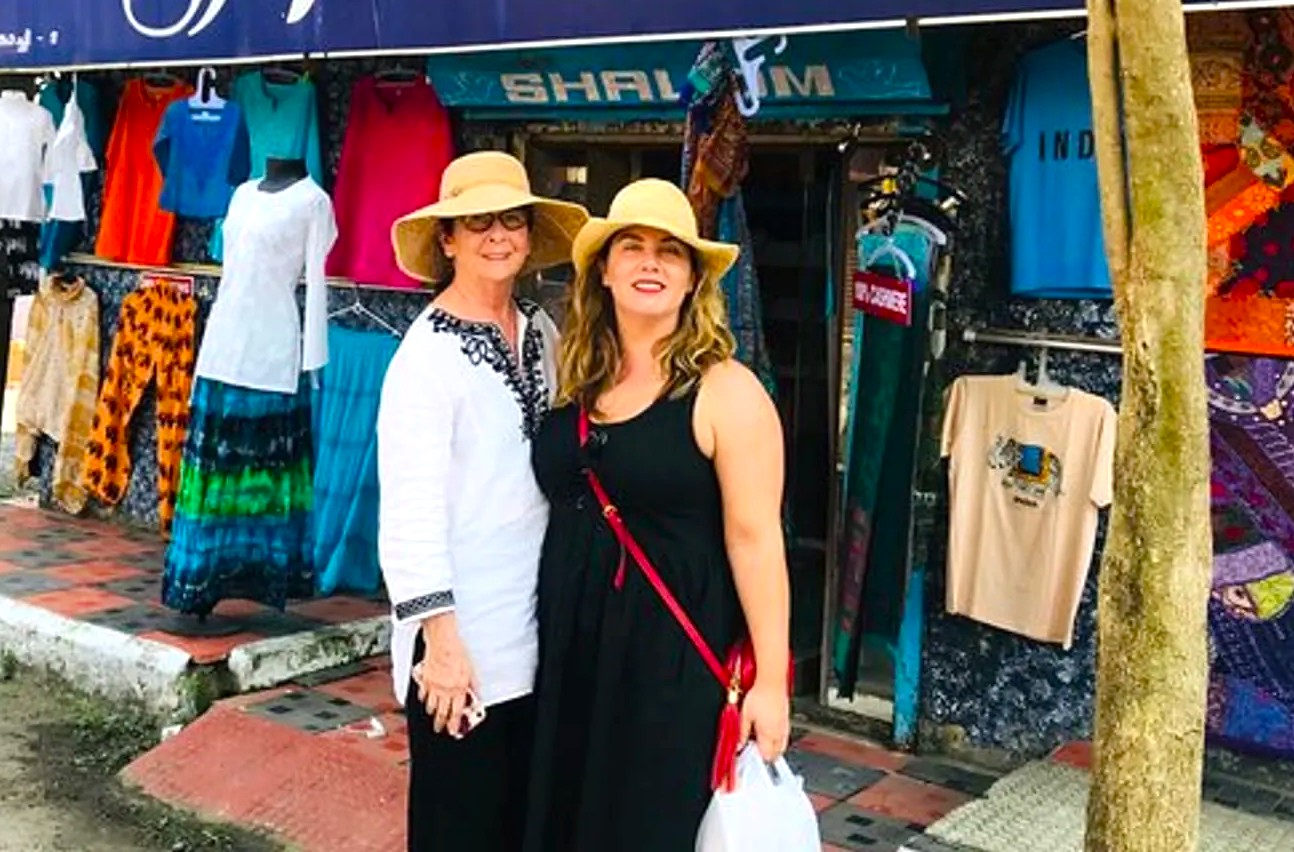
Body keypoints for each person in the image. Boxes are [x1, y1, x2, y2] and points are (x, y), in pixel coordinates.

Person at [525, 178, 792, 851]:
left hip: (669, 666)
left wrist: (772, 684)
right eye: (633, 248)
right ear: (605, 271)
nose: (650, 263)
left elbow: (757, 540)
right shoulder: (574, 374)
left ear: (693, 278)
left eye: (670, 252)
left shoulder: (726, 391)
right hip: (571, 649)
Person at [377, 150, 589, 852]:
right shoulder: (425, 357)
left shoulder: (541, 332)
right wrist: (440, 643)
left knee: (519, 824)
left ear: (529, 236)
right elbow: (408, 513)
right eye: (477, 224)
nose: (497, 236)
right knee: (458, 825)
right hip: (461, 644)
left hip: (534, 624)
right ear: (448, 240)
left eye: (511, 221)